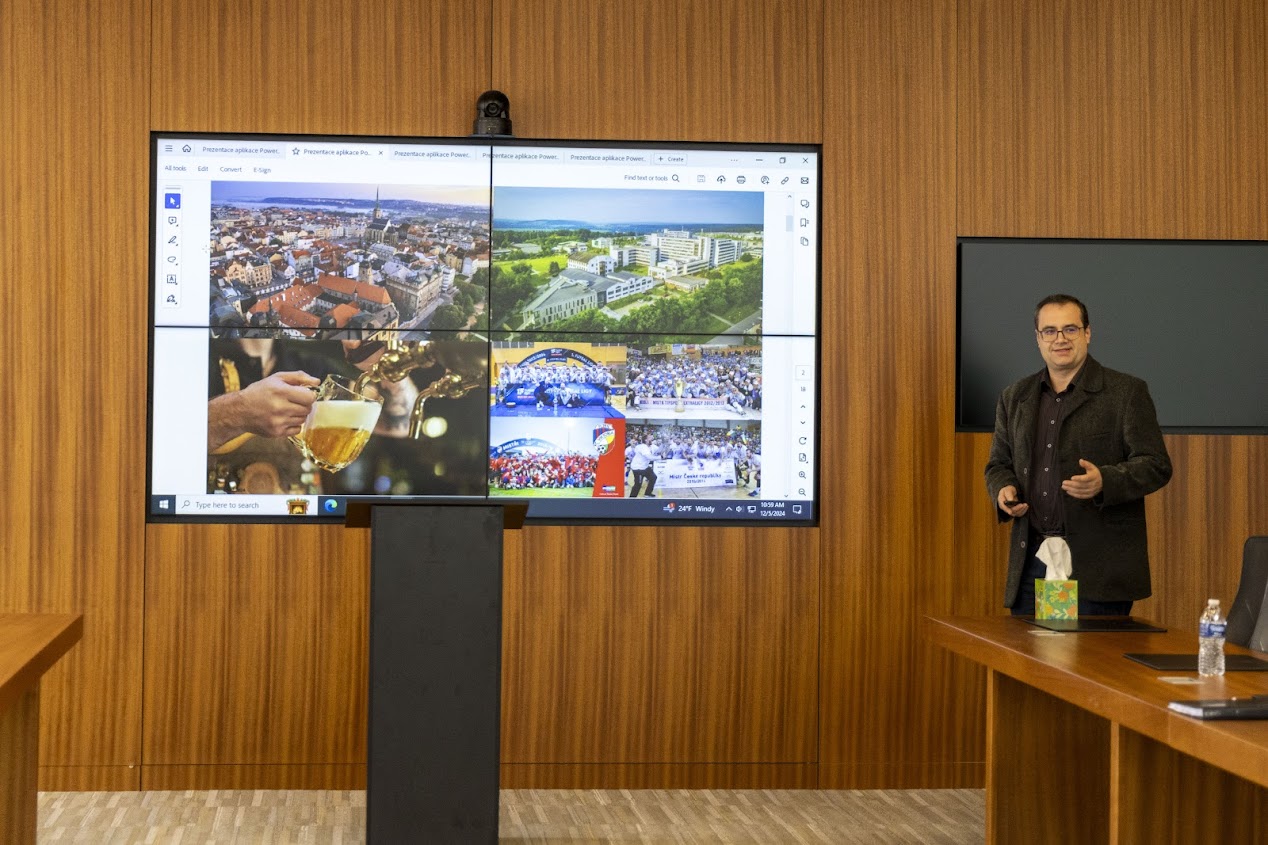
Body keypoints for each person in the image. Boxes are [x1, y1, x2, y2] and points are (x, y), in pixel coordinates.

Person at [984, 294, 1172, 616]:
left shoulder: (1126, 392)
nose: (1060, 339)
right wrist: (1003, 488)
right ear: (1038, 338)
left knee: (1085, 651)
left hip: (1098, 568)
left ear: (1087, 333)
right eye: (1050, 331)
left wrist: (1105, 481)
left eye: (1070, 329)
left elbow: (1156, 465)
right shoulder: (1014, 397)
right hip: (1033, 563)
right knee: (1029, 651)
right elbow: (998, 464)